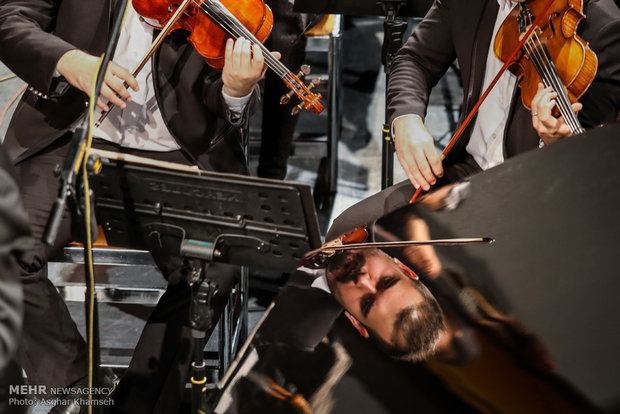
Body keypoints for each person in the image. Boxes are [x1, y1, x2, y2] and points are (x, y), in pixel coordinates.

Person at [0, 1, 274, 413]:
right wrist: (70, 62)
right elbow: (9, 18)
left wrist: (238, 91)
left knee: (214, 266)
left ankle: (138, 406)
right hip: (73, 133)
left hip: (178, 151)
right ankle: (80, 389)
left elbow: (226, 97)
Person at [388, 0, 620, 190]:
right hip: (464, 174)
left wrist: (556, 144)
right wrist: (406, 119)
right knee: (355, 230)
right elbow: (415, 60)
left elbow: (595, 168)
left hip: (537, 191)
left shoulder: (603, 27)